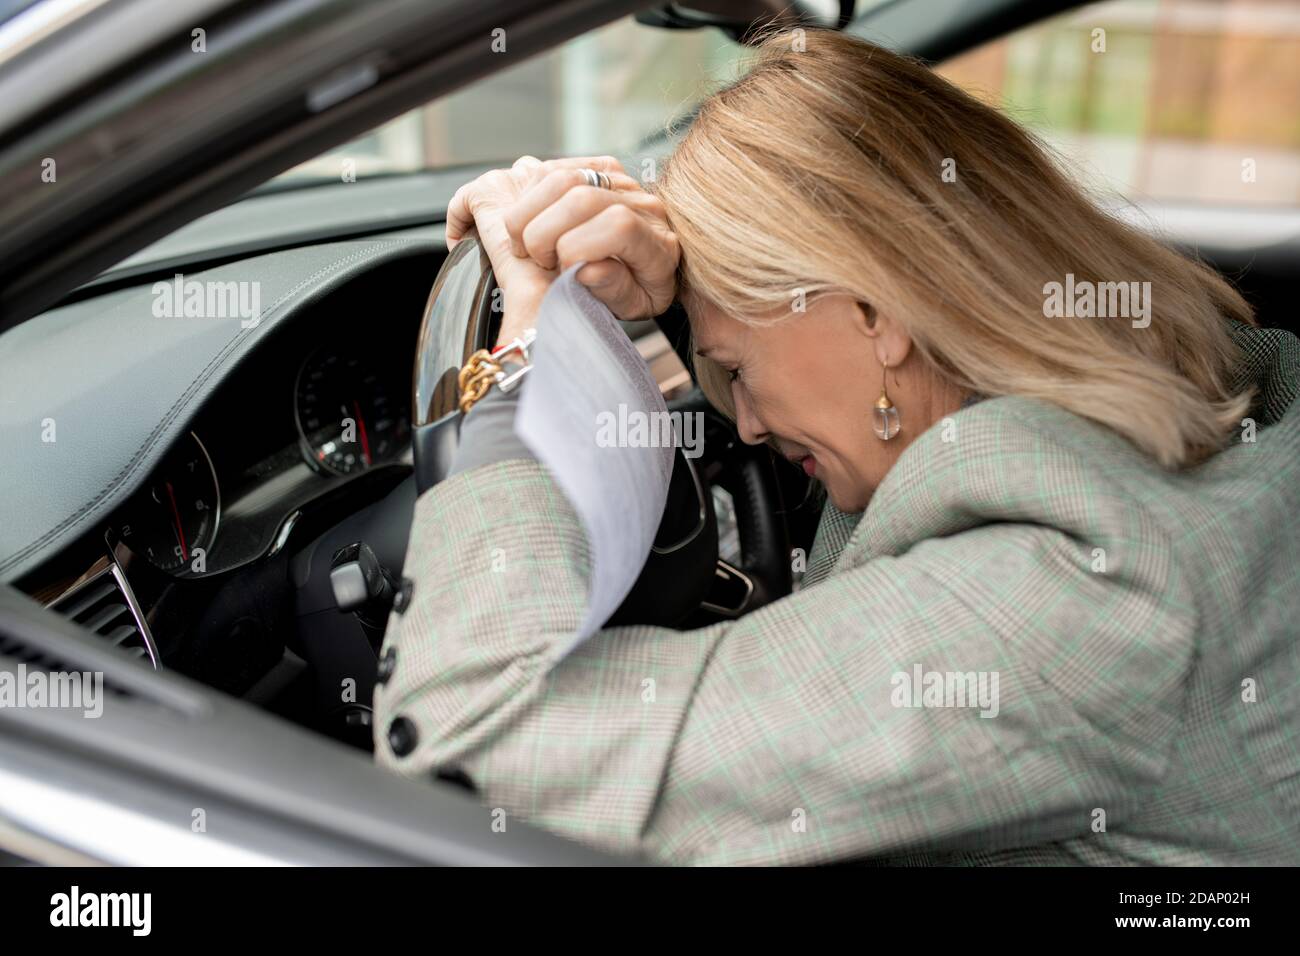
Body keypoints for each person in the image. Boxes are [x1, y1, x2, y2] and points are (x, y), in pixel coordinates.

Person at [373, 30, 1300, 865]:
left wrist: (521, 368)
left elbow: (474, 756)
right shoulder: (1237, 387)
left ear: (870, 310)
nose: (743, 429)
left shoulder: (1076, 602)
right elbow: (826, 393)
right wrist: (672, 306)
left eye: (736, 369)